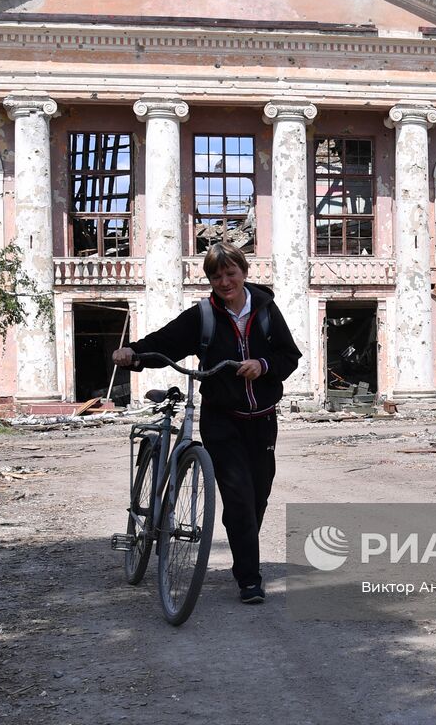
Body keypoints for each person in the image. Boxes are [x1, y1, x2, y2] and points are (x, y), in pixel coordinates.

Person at [112, 242, 301, 605]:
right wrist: (133, 354)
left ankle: (241, 540)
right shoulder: (204, 315)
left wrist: (263, 365)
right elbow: (164, 343)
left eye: (231, 274)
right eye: (217, 276)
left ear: (244, 272)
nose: (225, 282)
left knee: (257, 496)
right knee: (239, 497)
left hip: (262, 420)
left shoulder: (265, 311)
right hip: (221, 420)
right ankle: (249, 579)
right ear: (210, 280)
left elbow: (288, 356)